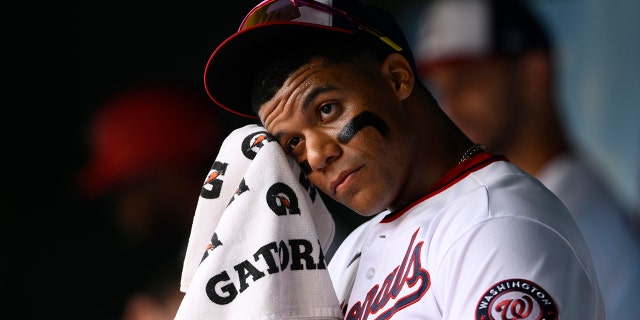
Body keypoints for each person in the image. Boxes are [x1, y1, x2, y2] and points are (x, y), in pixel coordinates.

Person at [191, 0, 605, 318]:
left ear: (397, 78)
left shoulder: (498, 223)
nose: (317, 155)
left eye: (327, 110)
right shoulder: (353, 248)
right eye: (293, 143)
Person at [412, 0, 640, 318]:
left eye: (467, 79)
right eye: (439, 87)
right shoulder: (552, 198)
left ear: (533, 74)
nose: (449, 103)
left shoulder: (563, 219)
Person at [75, 83, 228, 319]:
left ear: (166, 173)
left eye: (126, 189)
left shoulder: (246, 232)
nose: (122, 208)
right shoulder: (190, 248)